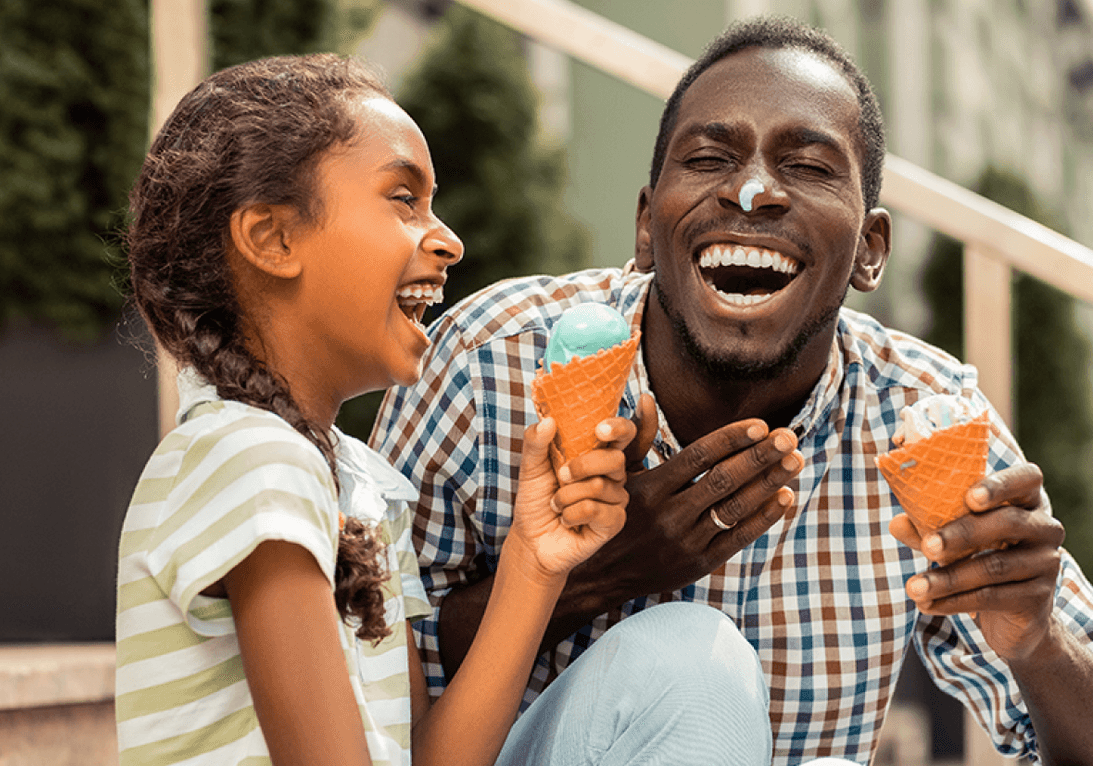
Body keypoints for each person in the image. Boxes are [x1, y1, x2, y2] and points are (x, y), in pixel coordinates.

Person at [373, 16, 1093, 765]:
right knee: (690, 662)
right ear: (648, 227)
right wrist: (600, 575)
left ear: (870, 251)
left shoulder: (925, 420)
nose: (752, 192)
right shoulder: (491, 362)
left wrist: (1038, 643)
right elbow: (366, 669)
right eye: (710, 157)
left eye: (809, 166)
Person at [116, 53, 770, 766]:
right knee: (695, 664)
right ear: (274, 239)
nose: (448, 239)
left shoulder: (360, 483)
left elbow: (429, 757)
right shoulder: (250, 457)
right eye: (404, 199)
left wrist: (535, 557)